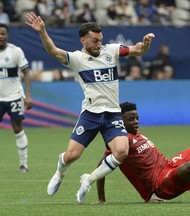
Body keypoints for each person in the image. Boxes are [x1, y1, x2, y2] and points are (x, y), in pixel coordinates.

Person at [25, 12, 155, 203]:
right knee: (71, 156)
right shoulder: (77, 59)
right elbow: (53, 51)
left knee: (122, 152)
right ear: (83, 40)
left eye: (100, 40)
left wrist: (146, 43)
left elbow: (138, 50)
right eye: (94, 40)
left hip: (112, 114)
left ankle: (89, 179)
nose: (98, 44)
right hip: (91, 114)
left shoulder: (111, 51)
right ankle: (59, 174)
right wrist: (43, 31)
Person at [0, 23, 32, 173]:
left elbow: (26, 73)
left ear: (7, 35)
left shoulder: (15, 51)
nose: (1, 36)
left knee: (17, 128)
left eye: (3, 33)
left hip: (14, 97)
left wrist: (28, 96)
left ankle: (23, 164)